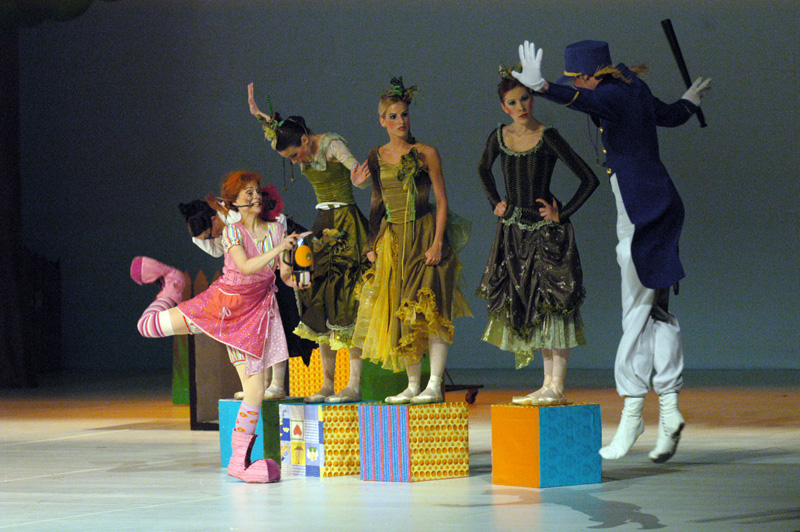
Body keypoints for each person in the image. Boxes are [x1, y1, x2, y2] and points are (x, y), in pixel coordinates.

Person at [512, 39, 711, 461]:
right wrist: (689, 102)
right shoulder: (633, 88)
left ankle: (633, 414)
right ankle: (670, 409)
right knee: (656, 312)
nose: (576, 85)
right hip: (661, 203)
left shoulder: (610, 96)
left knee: (635, 313)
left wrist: (544, 87)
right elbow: (668, 116)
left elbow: (582, 101)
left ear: (588, 76)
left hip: (641, 210)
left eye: (576, 79)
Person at [131, 170, 304, 483]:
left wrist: (297, 276)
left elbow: (284, 275)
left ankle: (239, 461)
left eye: (257, 190)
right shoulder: (232, 232)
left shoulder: (277, 229)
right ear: (234, 201)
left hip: (254, 313)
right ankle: (172, 283)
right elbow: (247, 266)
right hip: (223, 304)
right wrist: (279, 249)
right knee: (147, 327)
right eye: (248, 193)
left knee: (256, 390)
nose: (256, 196)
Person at [477, 71, 599, 406]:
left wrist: (562, 213)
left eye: (525, 99)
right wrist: (495, 202)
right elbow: (483, 168)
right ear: (504, 107)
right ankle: (547, 384)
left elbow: (589, 178)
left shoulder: (548, 136)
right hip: (514, 233)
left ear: (532, 99)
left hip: (545, 234)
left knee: (554, 304)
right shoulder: (500, 136)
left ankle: (557, 385)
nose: (521, 107)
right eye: (513, 102)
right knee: (532, 304)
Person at [248, 83, 371, 404]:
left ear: (305, 140)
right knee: (318, 299)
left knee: (348, 299)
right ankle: (327, 383)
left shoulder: (330, 145)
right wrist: (260, 116)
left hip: (346, 224)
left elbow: (353, 166)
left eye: (294, 155)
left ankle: (354, 383)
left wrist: (357, 176)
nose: (294, 161)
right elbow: (275, 132)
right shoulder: (293, 141)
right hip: (321, 224)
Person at [352, 77, 472, 404]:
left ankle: (434, 384)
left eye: (404, 114)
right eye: (393, 116)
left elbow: (442, 201)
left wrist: (437, 242)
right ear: (382, 121)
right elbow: (377, 202)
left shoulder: (425, 153)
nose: (400, 121)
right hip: (394, 241)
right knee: (403, 311)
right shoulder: (376, 156)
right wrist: (371, 244)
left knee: (431, 307)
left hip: (425, 234)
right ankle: (413, 384)